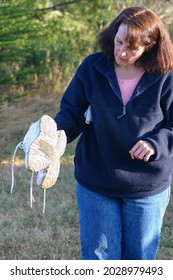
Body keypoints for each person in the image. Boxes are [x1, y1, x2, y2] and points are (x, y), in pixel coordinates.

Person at [54, 7, 173, 260]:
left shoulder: (166, 77)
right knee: (99, 260)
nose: (121, 52)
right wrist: (52, 135)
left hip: (146, 185)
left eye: (132, 47)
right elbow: (71, 114)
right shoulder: (92, 67)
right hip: (96, 179)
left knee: (138, 261)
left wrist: (156, 144)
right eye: (119, 42)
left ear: (150, 46)